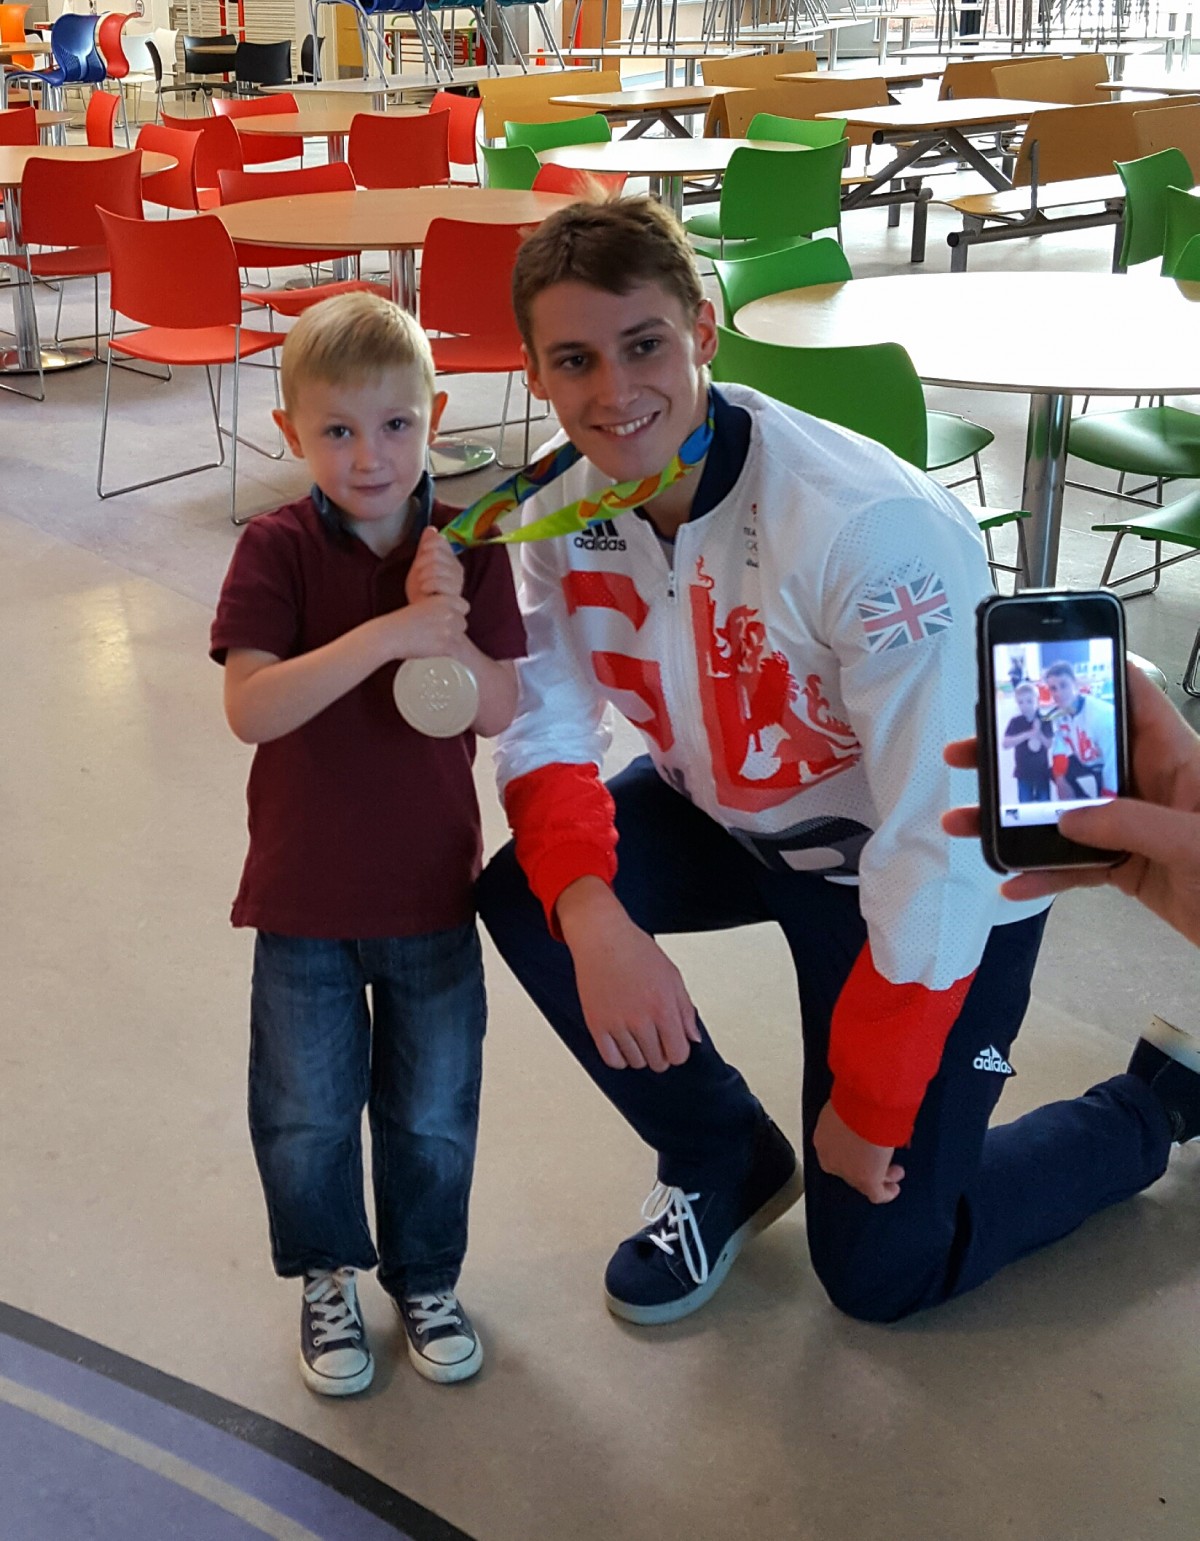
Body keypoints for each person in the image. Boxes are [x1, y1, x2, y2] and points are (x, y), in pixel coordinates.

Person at [476, 195, 1164, 1331]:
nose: (614, 391)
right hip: (739, 816)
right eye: (575, 360)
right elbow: (546, 725)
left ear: (702, 329)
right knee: (532, 894)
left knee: (883, 1268)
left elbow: (942, 842)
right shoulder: (554, 505)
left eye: (644, 345)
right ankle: (724, 1157)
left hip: (930, 875)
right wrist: (592, 914)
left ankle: (1151, 1106)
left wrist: (874, 1099)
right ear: (535, 370)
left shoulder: (865, 526)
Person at [210, 293, 525, 1393]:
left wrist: (450, 625)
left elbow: (498, 707)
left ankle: (426, 1276)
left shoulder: (472, 548)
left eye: (395, 425)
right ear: (290, 432)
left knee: (432, 1113)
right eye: (337, 430)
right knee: (303, 1114)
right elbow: (253, 708)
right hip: (301, 898)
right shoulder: (276, 549)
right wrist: (392, 630)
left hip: (433, 891)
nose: (369, 456)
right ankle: (326, 1274)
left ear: (433, 417)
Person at [943, 662, 1200, 1140]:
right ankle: (1151, 1112)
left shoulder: (1084, 717)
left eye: (1059, 686)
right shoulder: (1034, 720)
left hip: (1010, 865)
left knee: (930, 1152)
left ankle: (1154, 1112)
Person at [1044, 660, 1118, 801]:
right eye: (1053, 688)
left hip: (1103, 764)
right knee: (1053, 771)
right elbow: (1060, 744)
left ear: (1075, 684)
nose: (1058, 693)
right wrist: (1059, 778)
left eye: (1063, 685)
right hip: (1084, 760)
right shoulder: (1059, 714)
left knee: (1106, 801)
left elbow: (1113, 760)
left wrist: (1109, 795)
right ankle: (1079, 803)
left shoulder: (1101, 715)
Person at [1001, 680, 1053, 802]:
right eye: (1021, 702)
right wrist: (1027, 734)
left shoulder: (1045, 720)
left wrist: (1038, 733)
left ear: (1037, 701)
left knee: (1044, 804)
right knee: (1025, 804)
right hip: (1023, 773)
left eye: (1029, 701)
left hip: (1042, 772)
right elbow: (1005, 744)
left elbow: (1048, 744)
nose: (1025, 706)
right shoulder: (1015, 722)